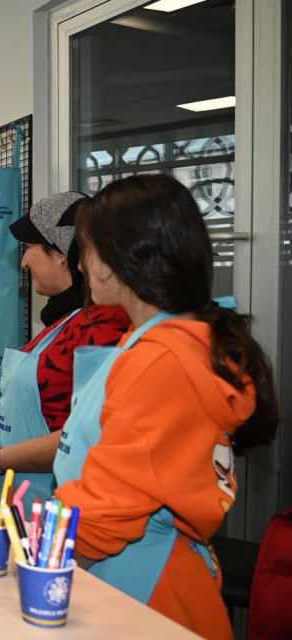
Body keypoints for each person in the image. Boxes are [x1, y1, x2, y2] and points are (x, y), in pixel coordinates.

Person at [53, 174, 277, 639]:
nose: (80, 268)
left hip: (140, 590)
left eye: (87, 251)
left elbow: (106, 510)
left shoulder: (163, 360)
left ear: (117, 261)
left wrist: (32, 566)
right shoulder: (160, 342)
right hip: (131, 574)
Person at [0, 192, 129, 507]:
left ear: (61, 253)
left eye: (30, 249)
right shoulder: (60, 324)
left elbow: (85, 434)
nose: (23, 261)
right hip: (28, 502)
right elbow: (52, 411)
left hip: (63, 508)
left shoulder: (102, 329)